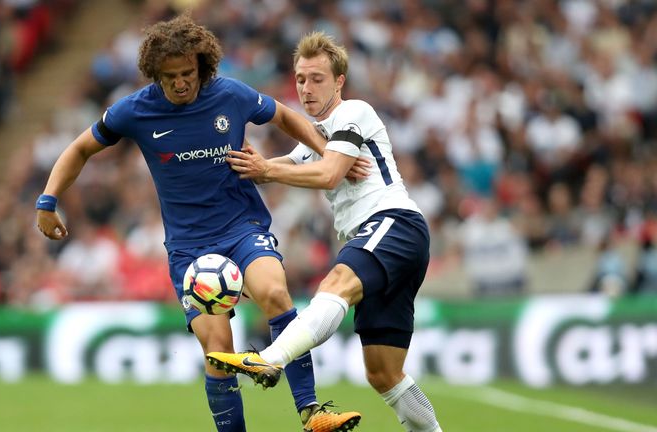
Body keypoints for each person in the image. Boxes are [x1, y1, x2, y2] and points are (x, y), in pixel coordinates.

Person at [35, 15, 360, 432]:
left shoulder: (230, 95)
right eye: (170, 77)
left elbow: (286, 117)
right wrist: (47, 201)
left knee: (276, 293)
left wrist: (328, 153)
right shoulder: (135, 111)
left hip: (243, 228)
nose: (181, 83)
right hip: (190, 251)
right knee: (218, 350)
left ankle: (311, 413)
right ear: (155, 74)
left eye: (188, 73)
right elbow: (79, 149)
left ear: (202, 67)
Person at [207, 32, 444, 432]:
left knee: (336, 282)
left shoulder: (354, 112)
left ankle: (271, 358)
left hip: (393, 222)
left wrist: (268, 169)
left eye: (317, 78)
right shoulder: (316, 138)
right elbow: (275, 168)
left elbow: (329, 173)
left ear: (339, 82)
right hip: (385, 241)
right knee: (384, 374)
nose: (306, 87)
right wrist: (241, 164)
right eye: (300, 78)